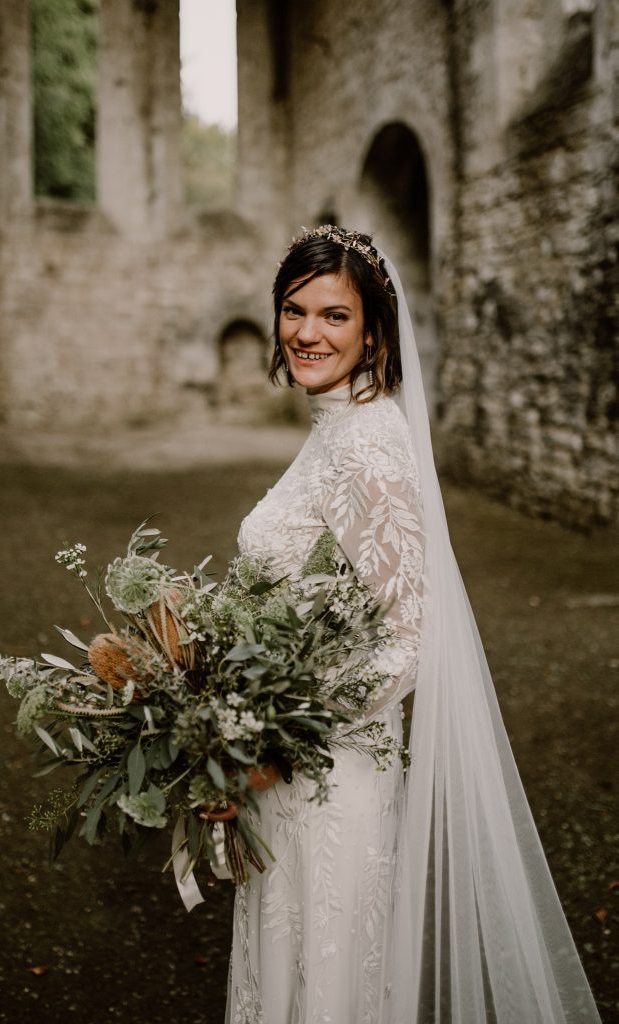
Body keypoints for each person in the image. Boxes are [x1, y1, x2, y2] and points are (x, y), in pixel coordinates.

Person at [222, 225, 601, 1024]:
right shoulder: (338, 427)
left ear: (373, 330)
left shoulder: (367, 446)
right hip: (292, 776)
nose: (307, 332)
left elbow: (408, 638)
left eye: (334, 316)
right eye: (295, 311)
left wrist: (271, 743)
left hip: (325, 780)